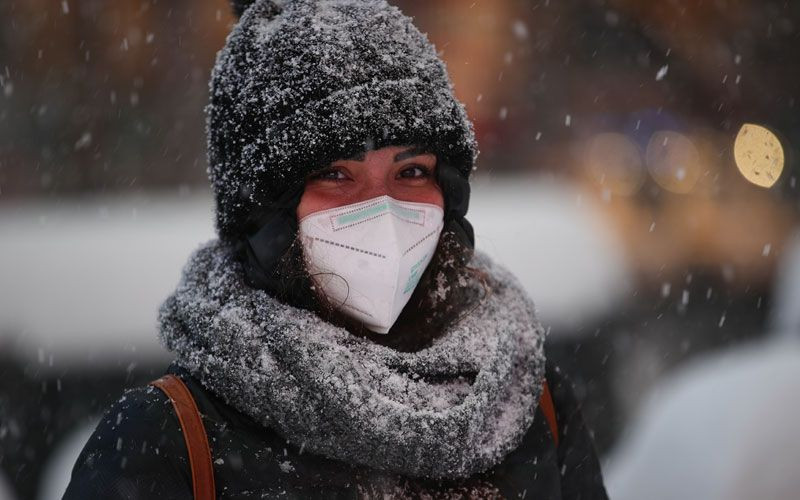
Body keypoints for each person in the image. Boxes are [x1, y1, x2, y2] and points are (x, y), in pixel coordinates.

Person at [64, 0, 608, 498]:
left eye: (411, 171)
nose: (384, 210)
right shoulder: (171, 442)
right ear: (265, 217)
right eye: (335, 174)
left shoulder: (526, 399)